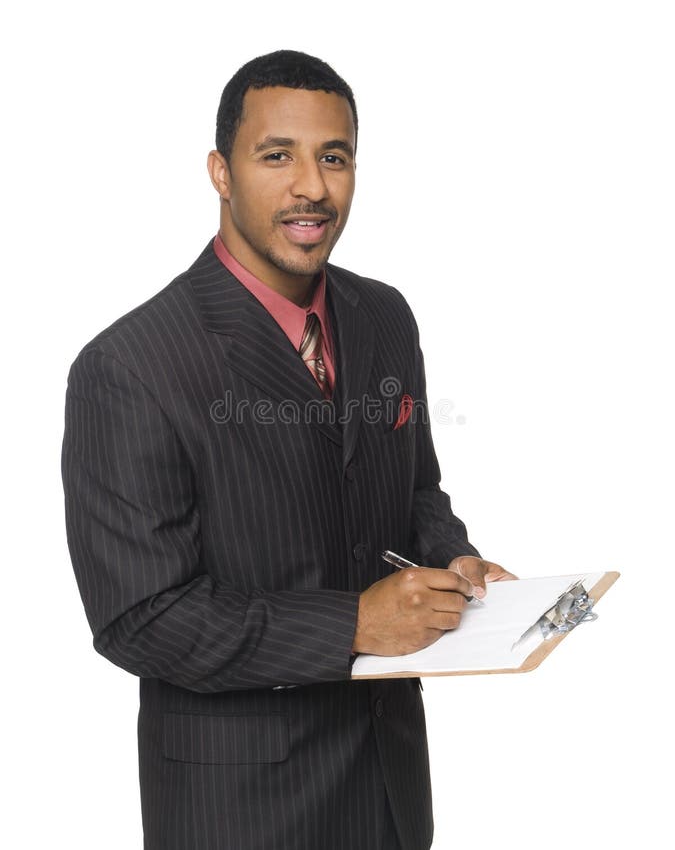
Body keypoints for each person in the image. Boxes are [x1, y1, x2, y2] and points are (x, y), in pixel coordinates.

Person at [62, 49, 514, 850]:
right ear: (220, 172)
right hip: (241, 807)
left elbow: (413, 493)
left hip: (390, 788)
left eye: (333, 157)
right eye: (278, 155)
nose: (312, 186)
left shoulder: (382, 318)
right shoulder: (129, 365)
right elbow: (140, 618)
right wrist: (354, 624)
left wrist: (457, 562)